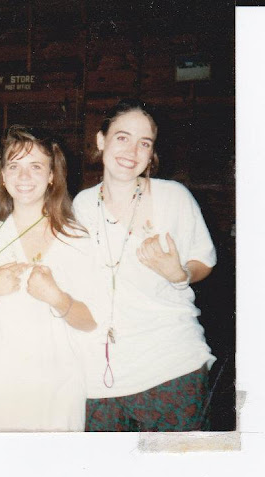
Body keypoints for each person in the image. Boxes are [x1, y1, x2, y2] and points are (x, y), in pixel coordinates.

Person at [72, 99, 217, 431]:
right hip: (100, 373)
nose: (132, 151)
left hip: (169, 366)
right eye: (122, 137)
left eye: (144, 143)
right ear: (101, 140)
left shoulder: (173, 197)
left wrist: (180, 274)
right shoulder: (82, 205)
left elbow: (204, 260)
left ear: (151, 154)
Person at [0, 126, 100, 432]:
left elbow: (90, 321)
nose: (24, 176)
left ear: (52, 175)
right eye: (14, 166)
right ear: (3, 176)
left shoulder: (76, 237)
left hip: (55, 390)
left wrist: (56, 298)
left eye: (35, 166)